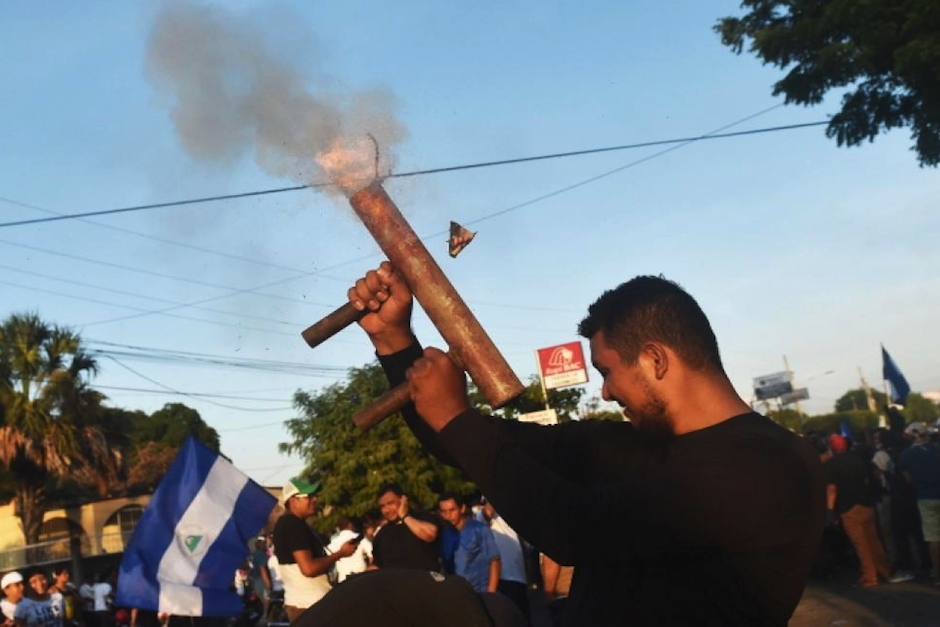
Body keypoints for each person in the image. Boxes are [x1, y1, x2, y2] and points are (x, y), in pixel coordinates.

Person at [348, 263, 826, 626]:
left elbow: (572, 528)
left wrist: (455, 416)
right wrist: (396, 344)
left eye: (608, 371)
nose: (605, 392)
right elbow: (471, 446)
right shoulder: (630, 443)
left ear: (656, 358)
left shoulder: (768, 464)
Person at [271, 477, 357, 622]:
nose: (315, 499)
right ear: (293, 501)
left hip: (305, 605)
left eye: (314, 496)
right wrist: (340, 553)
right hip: (309, 606)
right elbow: (309, 569)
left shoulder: (292, 524)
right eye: (308, 496)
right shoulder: (293, 524)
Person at [900, 421, 940, 584]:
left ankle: (937, 575)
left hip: (925, 498)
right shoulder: (937, 449)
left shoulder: (905, 455)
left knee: (934, 539)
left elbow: (908, 479)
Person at [437, 493, 501, 594]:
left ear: (462, 508)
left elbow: (495, 561)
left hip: (480, 592)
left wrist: (490, 594)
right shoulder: (445, 534)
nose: (448, 515)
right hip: (456, 593)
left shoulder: (479, 529)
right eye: (444, 511)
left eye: (452, 510)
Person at [371, 483, 441, 571]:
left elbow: (429, 535)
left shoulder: (424, 518)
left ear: (403, 500)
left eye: (390, 503)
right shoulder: (381, 535)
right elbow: (378, 566)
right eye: (382, 506)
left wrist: (404, 516)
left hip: (427, 582)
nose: (386, 510)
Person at [481, 498, 530, 623]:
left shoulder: (509, 514)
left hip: (516, 575)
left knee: (520, 617)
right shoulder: (481, 516)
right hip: (502, 576)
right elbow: (488, 513)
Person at [326, 518, 370, 583]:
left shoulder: (333, 542)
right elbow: (372, 554)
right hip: (362, 575)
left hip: (343, 578)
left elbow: (327, 559)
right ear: (350, 525)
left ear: (338, 528)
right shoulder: (359, 538)